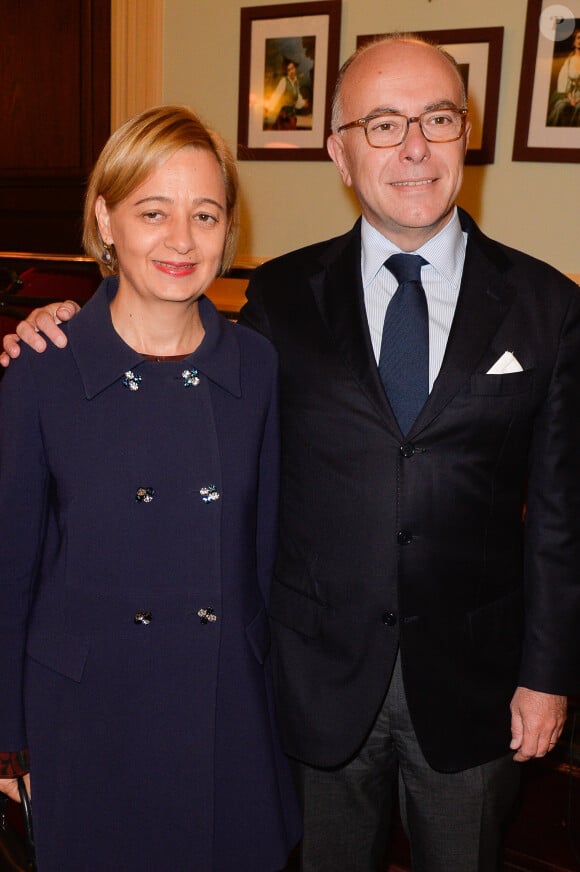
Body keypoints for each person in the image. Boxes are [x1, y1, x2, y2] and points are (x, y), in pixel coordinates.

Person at [3, 34, 580, 872]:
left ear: (466, 135)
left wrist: (549, 673)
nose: (414, 146)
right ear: (341, 154)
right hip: (313, 686)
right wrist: (46, 324)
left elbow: (562, 516)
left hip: (474, 689)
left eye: (438, 118)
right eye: (383, 124)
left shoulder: (549, 305)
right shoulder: (280, 299)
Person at [0, 104, 301, 871]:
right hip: (86, 716)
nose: (181, 240)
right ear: (105, 219)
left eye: (205, 214)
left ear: (229, 229)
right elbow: (9, 566)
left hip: (223, 711)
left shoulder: (257, 367)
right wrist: (6, 743)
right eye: (152, 211)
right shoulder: (41, 367)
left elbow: (264, 557)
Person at [547, 28, 580, 126]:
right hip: (570, 95)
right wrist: (571, 99)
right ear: (574, 42)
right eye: (578, 38)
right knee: (560, 106)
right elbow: (564, 82)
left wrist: (578, 100)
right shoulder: (569, 61)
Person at [265, 59, 309, 130]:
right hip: (284, 117)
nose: (291, 71)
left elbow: (297, 97)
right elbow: (277, 94)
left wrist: (304, 103)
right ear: (287, 72)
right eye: (288, 70)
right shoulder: (284, 81)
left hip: (292, 116)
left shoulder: (296, 82)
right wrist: (269, 107)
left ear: (295, 69)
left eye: (292, 68)